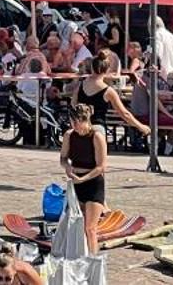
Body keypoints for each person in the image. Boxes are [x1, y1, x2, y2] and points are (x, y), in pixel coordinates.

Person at [60, 103, 110, 254]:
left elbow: (101, 166)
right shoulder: (69, 135)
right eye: (72, 122)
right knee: (77, 224)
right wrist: (67, 167)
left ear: (85, 120)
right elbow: (63, 157)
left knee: (90, 227)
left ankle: (93, 258)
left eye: (77, 122)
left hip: (93, 182)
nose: (74, 126)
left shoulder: (96, 136)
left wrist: (84, 178)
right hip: (76, 180)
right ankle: (80, 253)